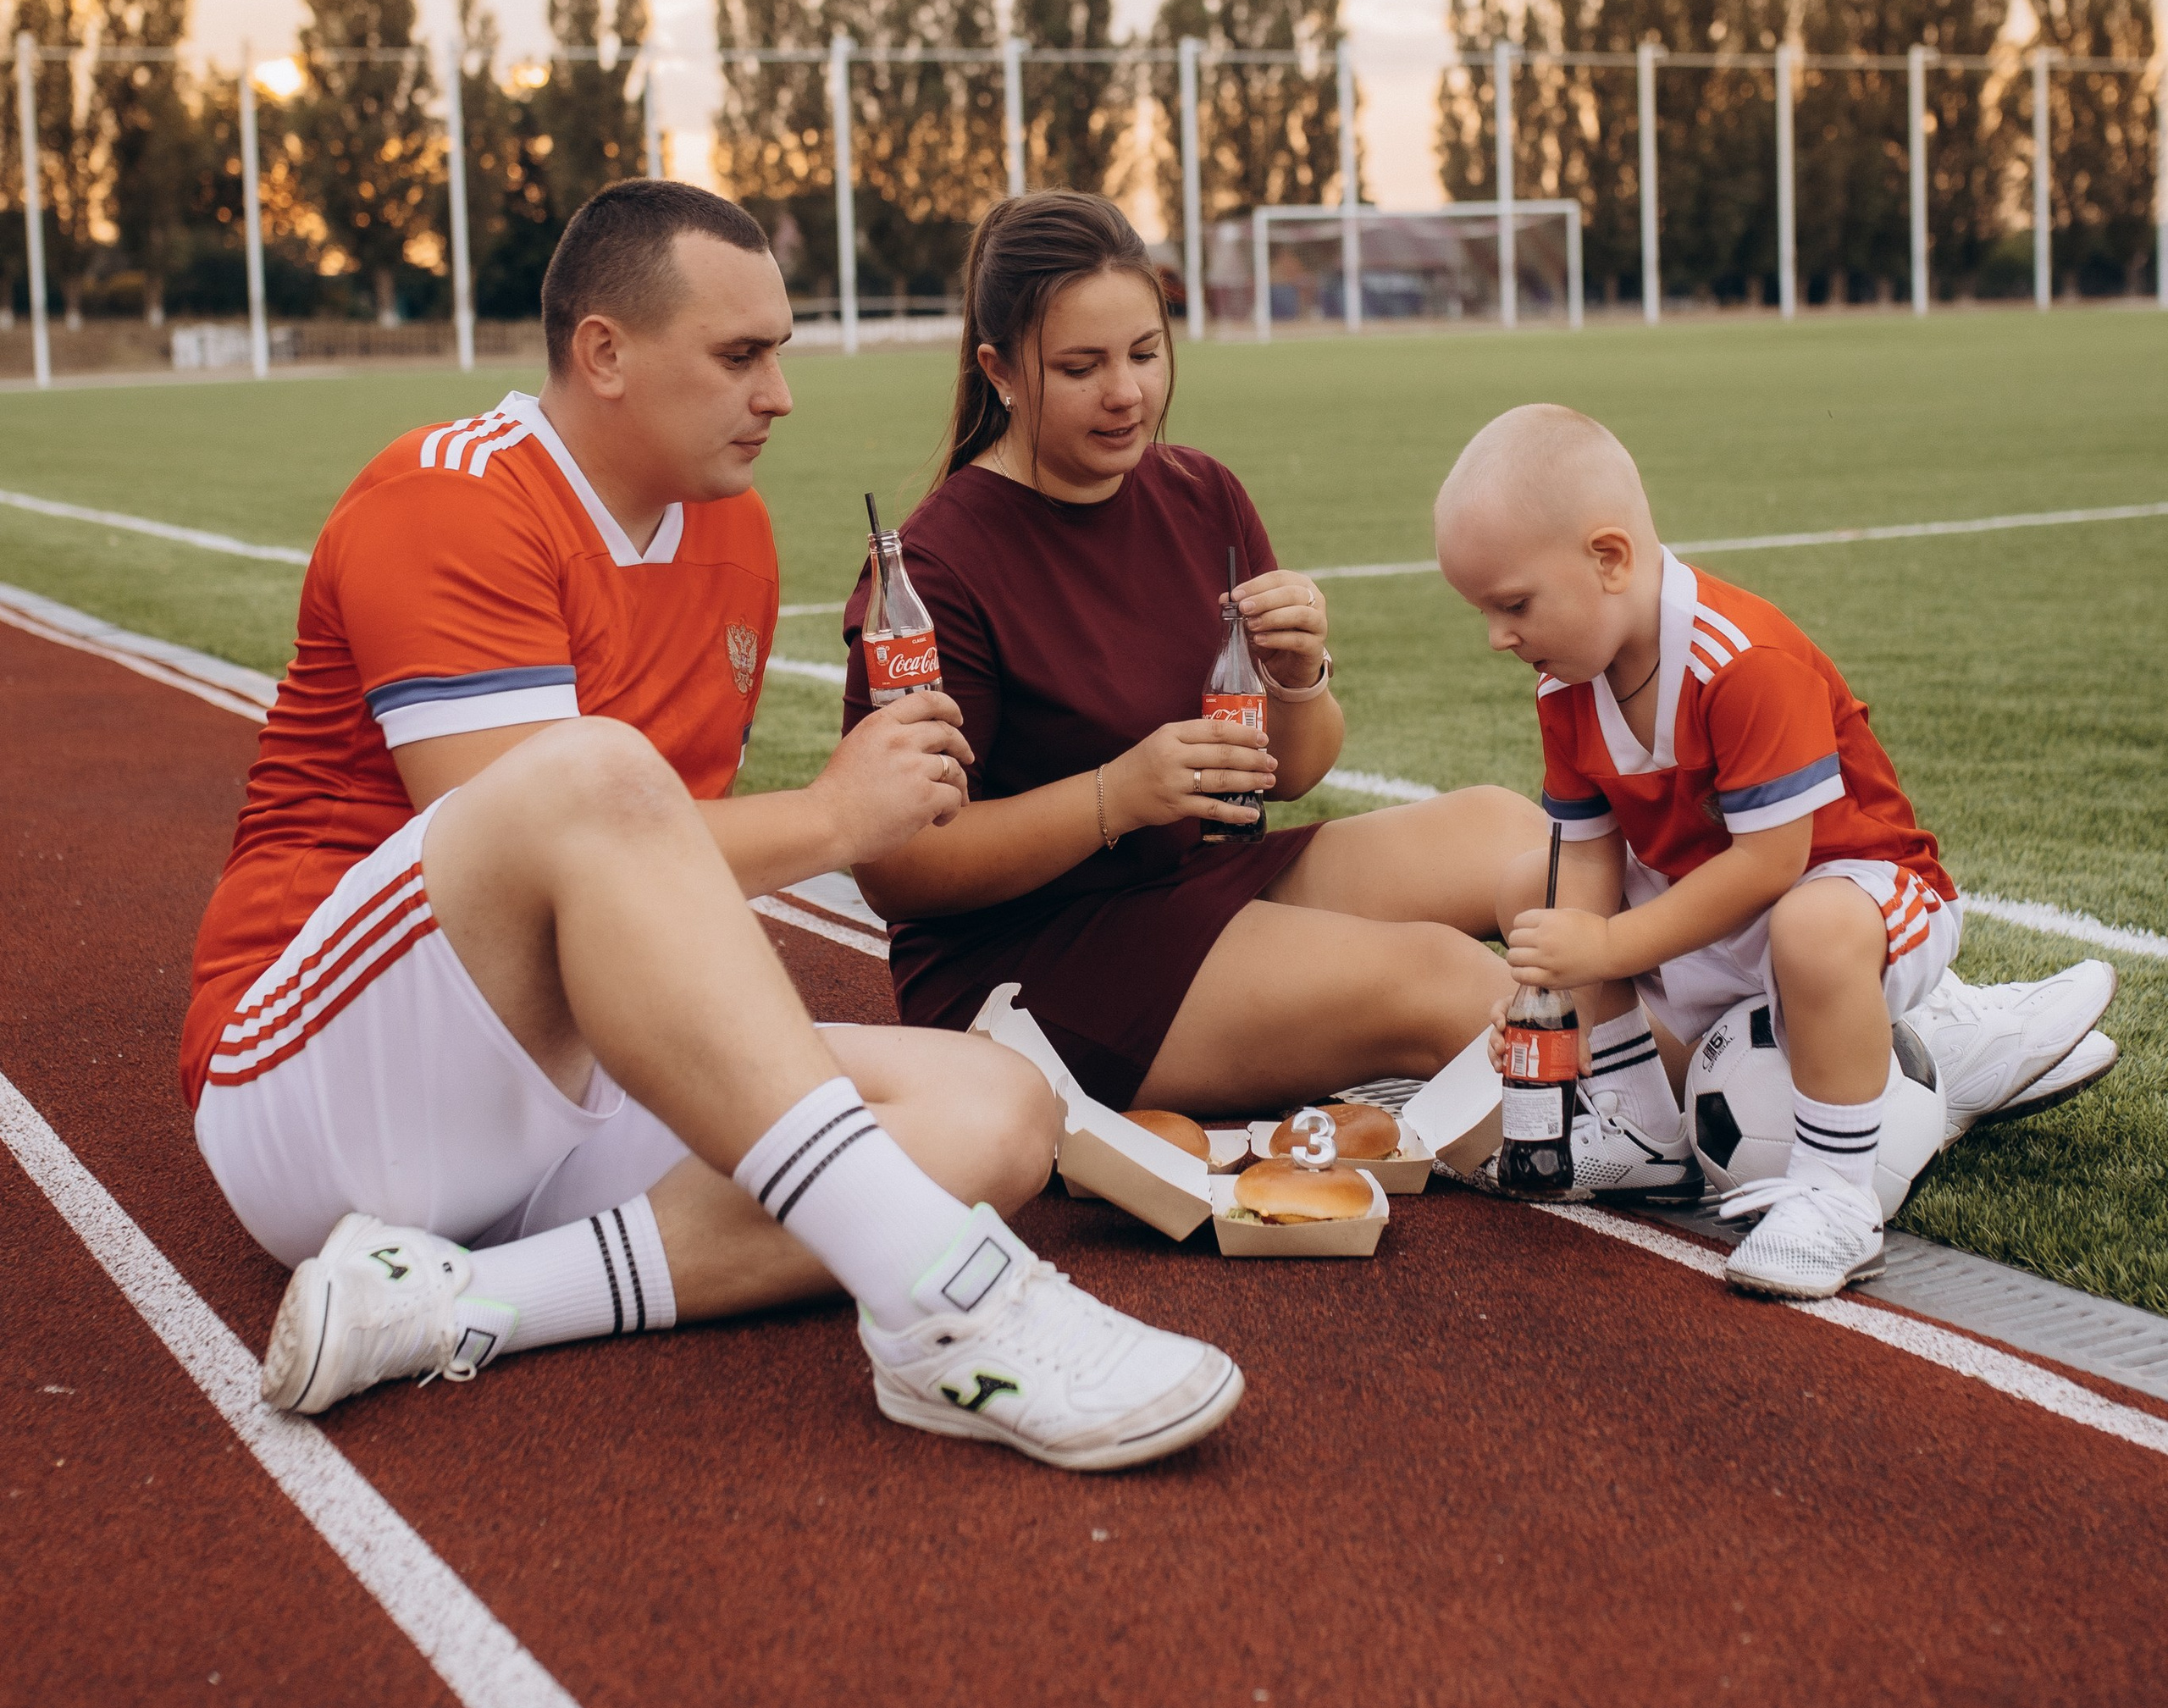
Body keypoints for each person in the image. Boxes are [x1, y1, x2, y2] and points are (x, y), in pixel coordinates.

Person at [182, 180, 1244, 1471]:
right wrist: (838, 817)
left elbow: (647, 875)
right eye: (741, 355)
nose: (780, 393)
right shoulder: (450, 496)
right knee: (592, 774)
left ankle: (464, 1303)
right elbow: (529, 829)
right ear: (606, 353)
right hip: (330, 1083)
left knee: (1002, 1111)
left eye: (780, 353)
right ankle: (945, 1300)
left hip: (578, 1085)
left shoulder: (734, 533)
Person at [838, 191, 1546, 1116]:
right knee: (1441, 981)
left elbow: (1286, 774)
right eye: (1081, 366)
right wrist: (1115, 797)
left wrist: (1298, 676)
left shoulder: (1200, 492)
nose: (1126, 392)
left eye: (1144, 352)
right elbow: (894, 868)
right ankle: (1692, 1110)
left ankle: (1726, 1052)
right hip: (1025, 961)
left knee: (1513, 840)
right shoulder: (935, 565)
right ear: (999, 369)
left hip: (1187, 884)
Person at [1434, 402, 2118, 1302]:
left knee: (1812, 927)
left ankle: (1836, 1196)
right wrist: (1549, 985)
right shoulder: (1566, 685)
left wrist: (1600, 951)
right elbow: (1587, 860)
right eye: (1483, 610)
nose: (1496, 637)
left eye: (1513, 604)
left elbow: (1771, 862)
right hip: (1715, 907)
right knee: (1536, 884)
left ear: (1609, 559)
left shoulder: (1739, 659)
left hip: (1858, 892)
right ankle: (1641, 1131)